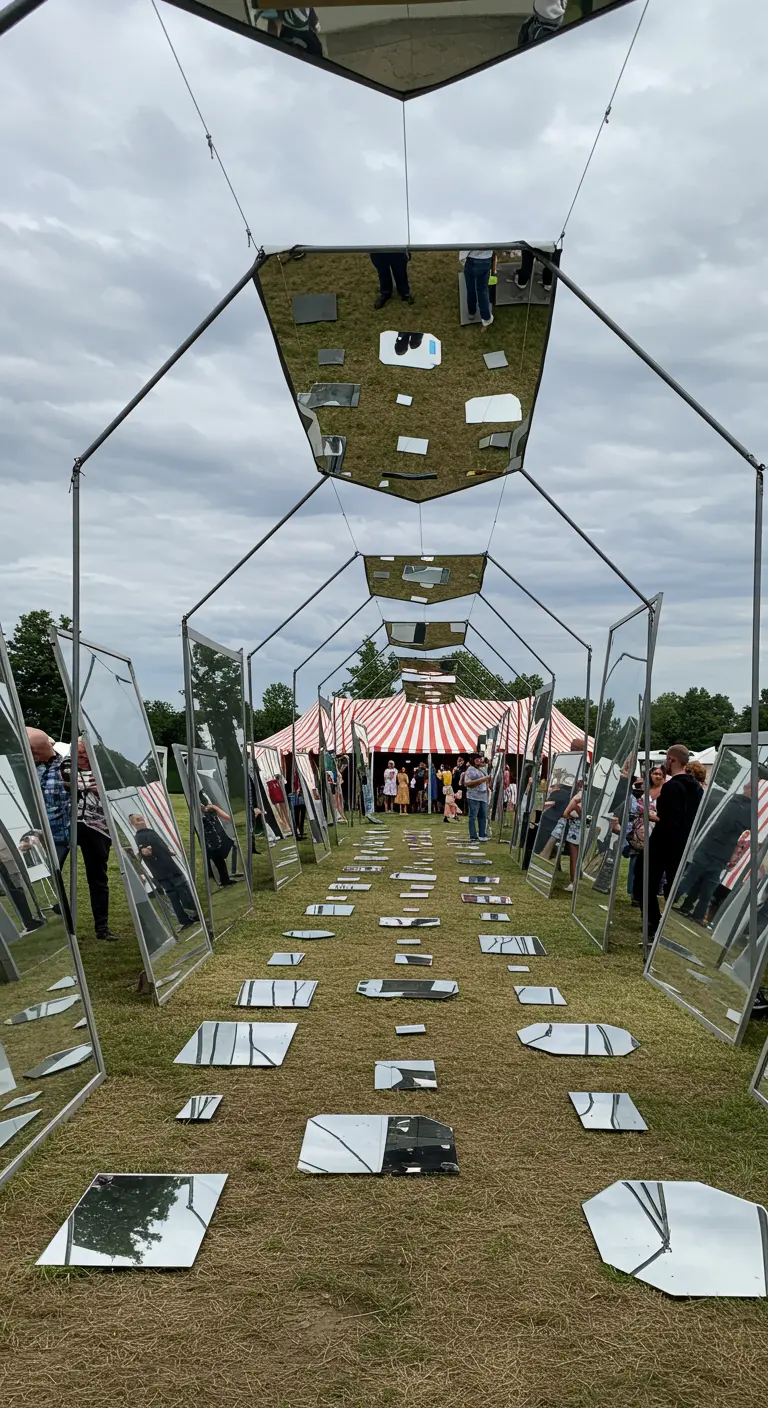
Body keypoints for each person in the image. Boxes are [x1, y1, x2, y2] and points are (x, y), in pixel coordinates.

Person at [60, 739, 118, 943]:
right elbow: (67, 784)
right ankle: (58, 910)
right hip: (70, 826)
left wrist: (101, 788)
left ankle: (102, 926)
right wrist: (79, 785)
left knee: (98, 877)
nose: (83, 758)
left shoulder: (105, 769)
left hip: (99, 828)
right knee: (55, 868)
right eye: (80, 754)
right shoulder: (66, 766)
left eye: (86, 755)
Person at [674, 781, 753, 926]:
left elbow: (725, 821)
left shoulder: (736, 802)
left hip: (713, 845)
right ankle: (695, 912)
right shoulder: (750, 810)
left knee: (692, 876)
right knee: (707, 885)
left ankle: (675, 899)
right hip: (724, 850)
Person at [645, 745, 704, 933]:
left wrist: (655, 818)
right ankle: (665, 920)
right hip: (682, 843)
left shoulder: (672, 787)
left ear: (672, 760)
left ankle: (654, 922)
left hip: (664, 842)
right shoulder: (697, 789)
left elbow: (669, 820)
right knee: (670, 883)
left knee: (648, 881)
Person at [128, 813, 198, 929]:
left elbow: (158, 846)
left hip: (162, 869)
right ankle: (193, 914)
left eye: (141, 818)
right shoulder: (141, 835)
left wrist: (167, 850)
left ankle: (184, 920)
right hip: (166, 868)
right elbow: (145, 851)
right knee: (182, 889)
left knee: (173, 894)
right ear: (133, 824)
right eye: (137, 820)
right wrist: (145, 851)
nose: (140, 820)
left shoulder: (149, 832)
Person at [27, 728, 70, 868]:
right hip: (38, 832)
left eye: (33, 750)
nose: (32, 754)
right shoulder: (37, 769)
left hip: (59, 836)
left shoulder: (66, 766)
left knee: (52, 872)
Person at [200, 790, 235, 886]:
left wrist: (213, 807)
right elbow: (227, 817)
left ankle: (224, 879)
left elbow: (227, 817)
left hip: (216, 838)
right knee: (218, 860)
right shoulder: (201, 814)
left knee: (219, 860)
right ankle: (223, 880)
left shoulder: (210, 811)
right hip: (211, 840)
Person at [460, 249, 495, 329]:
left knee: (470, 287)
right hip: (486, 258)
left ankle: (471, 312)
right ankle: (486, 318)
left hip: (471, 258)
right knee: (482, 290)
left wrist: (462, 258)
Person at [464, 753, 490, 842]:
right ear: (472, 761)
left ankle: (482, 834)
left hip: (483, 796)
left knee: (483, 816)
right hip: (473, 796)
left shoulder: (482, 770)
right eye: (477, 760)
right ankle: (473, 836)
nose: (479, 761)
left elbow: (487, 780)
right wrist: (483, 779)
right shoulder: (470, 770)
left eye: (480, 759)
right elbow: (467, 783)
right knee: (473, 816)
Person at [562, 781, 583, 891]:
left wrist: (567, 812)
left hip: (576, 824)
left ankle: (573, 882)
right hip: (586, 824)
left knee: (574, 856)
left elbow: (575, 802)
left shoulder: (580, 795)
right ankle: (575, 880)